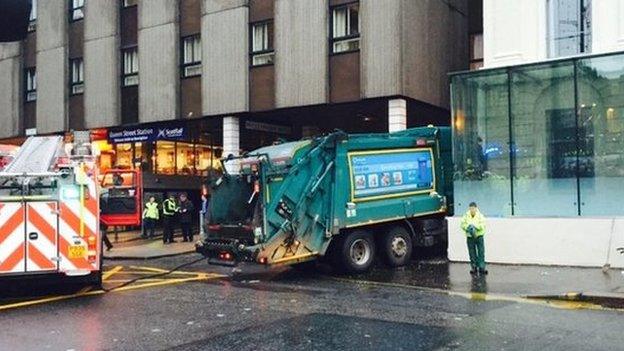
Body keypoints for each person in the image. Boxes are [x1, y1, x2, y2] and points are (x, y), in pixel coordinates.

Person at [460, 202, 487, 275]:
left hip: (479, 236)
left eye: (473, 208)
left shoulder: (480, 216)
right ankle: (473, 267)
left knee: (481, 252)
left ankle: (482, 267)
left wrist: (475, 227)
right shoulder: (466, 215)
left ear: (476, 208)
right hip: (470, 237)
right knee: (472, 252)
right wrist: (468, 228)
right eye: (470, 208)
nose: (472, 210)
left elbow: (483, 225)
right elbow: (462, 224)